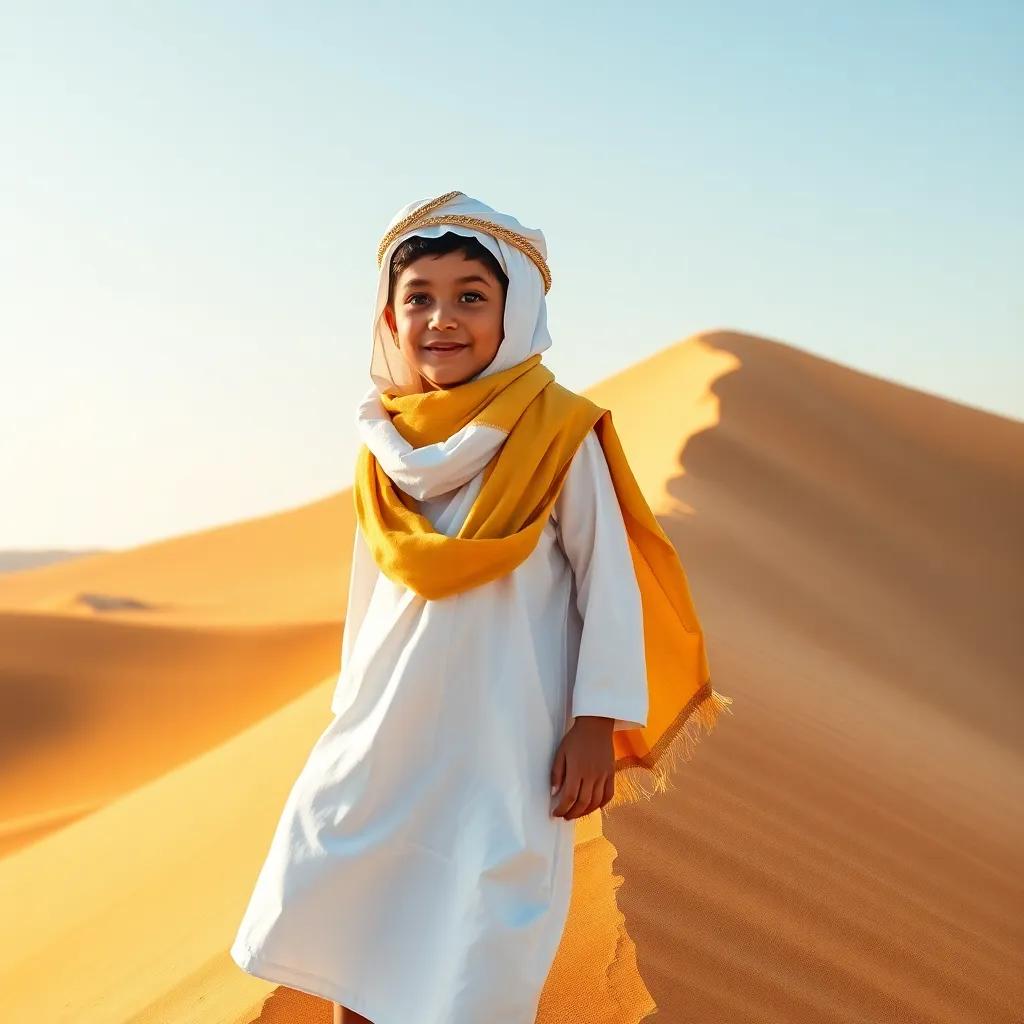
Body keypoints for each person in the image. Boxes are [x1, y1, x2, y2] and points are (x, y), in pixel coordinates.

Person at [229, 191, 731, 1024]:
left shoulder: (559, 433)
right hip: (384, 732)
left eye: (471, 297)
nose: (442, 318)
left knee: (478, 940)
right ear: (389, 318)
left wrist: (595, 721)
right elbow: (372, 592)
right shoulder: (382, 444)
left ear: (515, 314)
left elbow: (608, 578)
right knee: (356, 925)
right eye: (418, 296)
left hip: (505, 740)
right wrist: (347, 713)